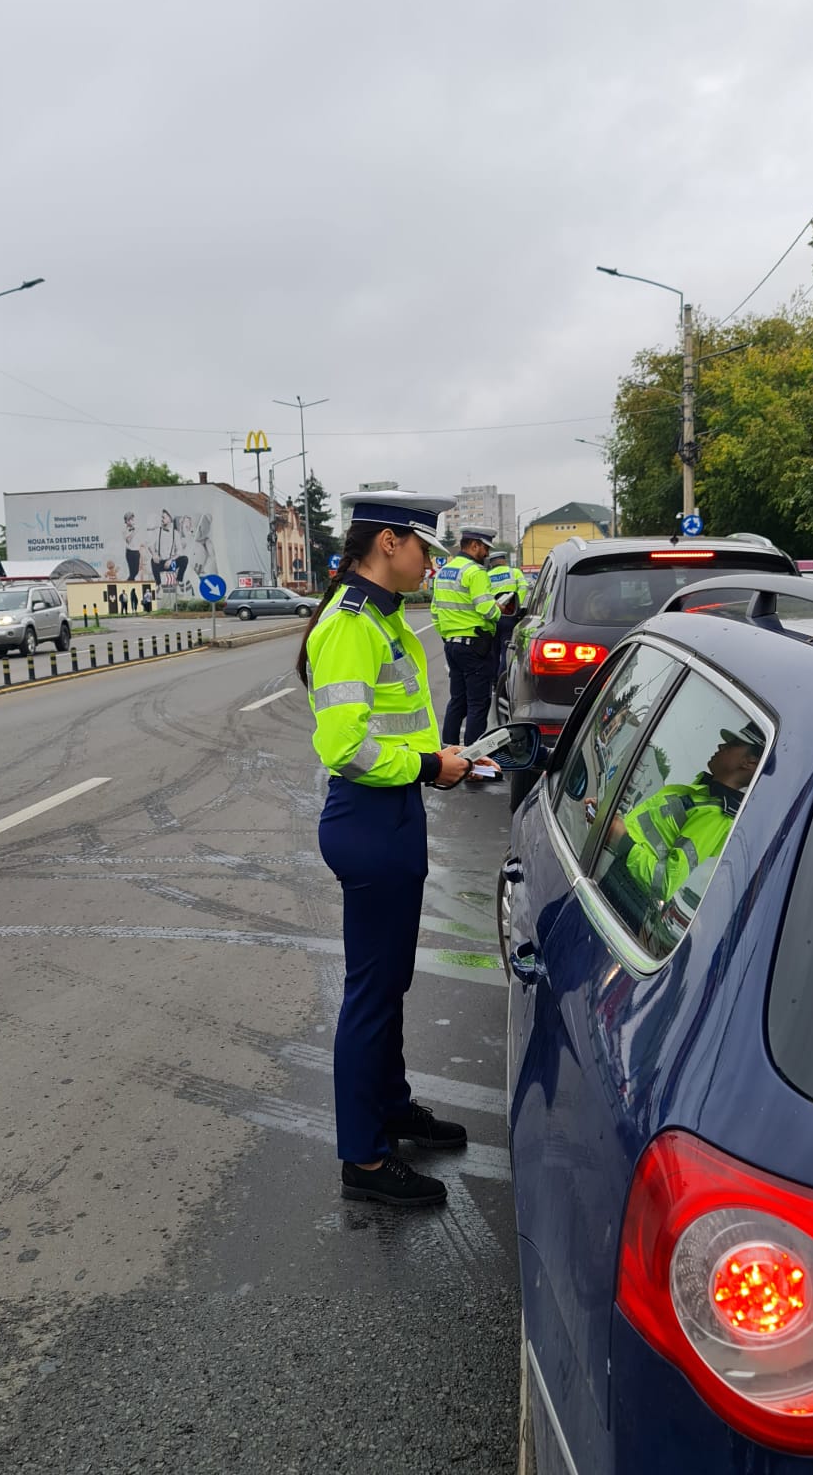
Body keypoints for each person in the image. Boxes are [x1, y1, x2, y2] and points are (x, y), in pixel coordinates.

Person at [297, 489, 484, 1208]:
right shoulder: (351, 625)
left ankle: (392, 1107)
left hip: (394, 811)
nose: (430, 564)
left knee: (390, 981)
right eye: (423, 549)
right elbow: (347, 747)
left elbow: (393, 723)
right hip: (370, 817)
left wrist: (437, 761)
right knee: (371, 993)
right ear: (387, 543)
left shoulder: (384, 616)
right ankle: (365, 1160)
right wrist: (430, 766)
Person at [598, 723, 765, 905]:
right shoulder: (700, 795)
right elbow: (647, 831)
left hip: (625, 894)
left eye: (732, 744)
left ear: (750, 763)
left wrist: (622, 840)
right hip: (615, 874)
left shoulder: (716, 816)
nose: (721, 746)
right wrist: (610, 820)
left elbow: (665, 883)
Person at [431, 525, 501, 747]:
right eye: (485, 548)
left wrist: (448, 635)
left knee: (458, 701)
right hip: (475, 646)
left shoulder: (444, 572)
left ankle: (448, 748)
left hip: (452, 646)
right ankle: (473, 755)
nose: (487, 554)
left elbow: (435, 611)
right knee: (478, 703)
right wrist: (499, 610)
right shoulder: (475, 572)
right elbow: (485, 608)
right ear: (474, 545)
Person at [484, 549, 526, 686]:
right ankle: (502, 681)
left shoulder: (486, 576)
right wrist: (516, 606)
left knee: (493, 653)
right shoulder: (514, 572)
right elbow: (524, 588)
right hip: (509, 617)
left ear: (491, 563)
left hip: (492, 619)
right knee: (506, 651)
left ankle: (494, 682)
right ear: (504, 561)